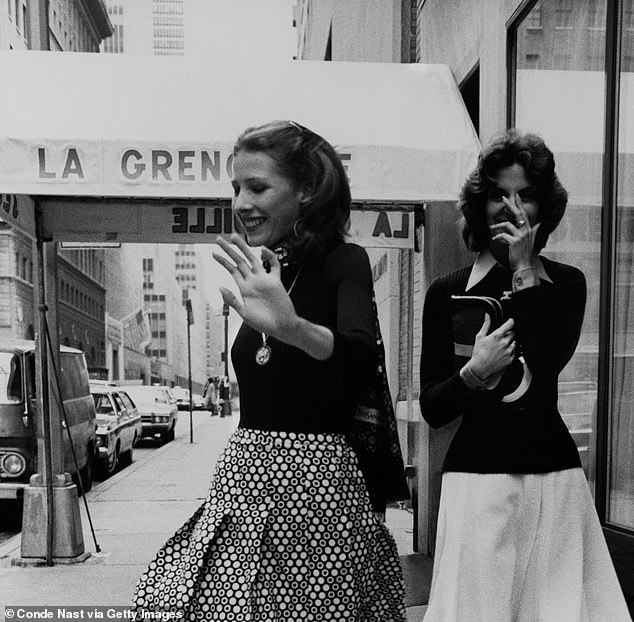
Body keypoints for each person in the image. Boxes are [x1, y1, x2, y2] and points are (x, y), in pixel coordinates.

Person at [132, 120, 406, 621]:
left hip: (317, 487)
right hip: (245, 479)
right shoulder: (264, 270)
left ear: (305, 191)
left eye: (257, 187)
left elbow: (359, 356)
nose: (241, 203)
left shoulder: (346, 261)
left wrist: (293, 327)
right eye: (235, 188)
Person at [419, 129, 631, 622]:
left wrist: (522, 273)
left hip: (553, 476)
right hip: (476, 479)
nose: (511, 208)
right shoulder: (446, 292)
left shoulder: (568, 283)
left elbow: (548, 359)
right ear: (479, 202)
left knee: (558, 609)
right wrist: (474, 373)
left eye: (526, 194)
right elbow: (433, 408)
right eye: (498, 194)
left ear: (544, 207)